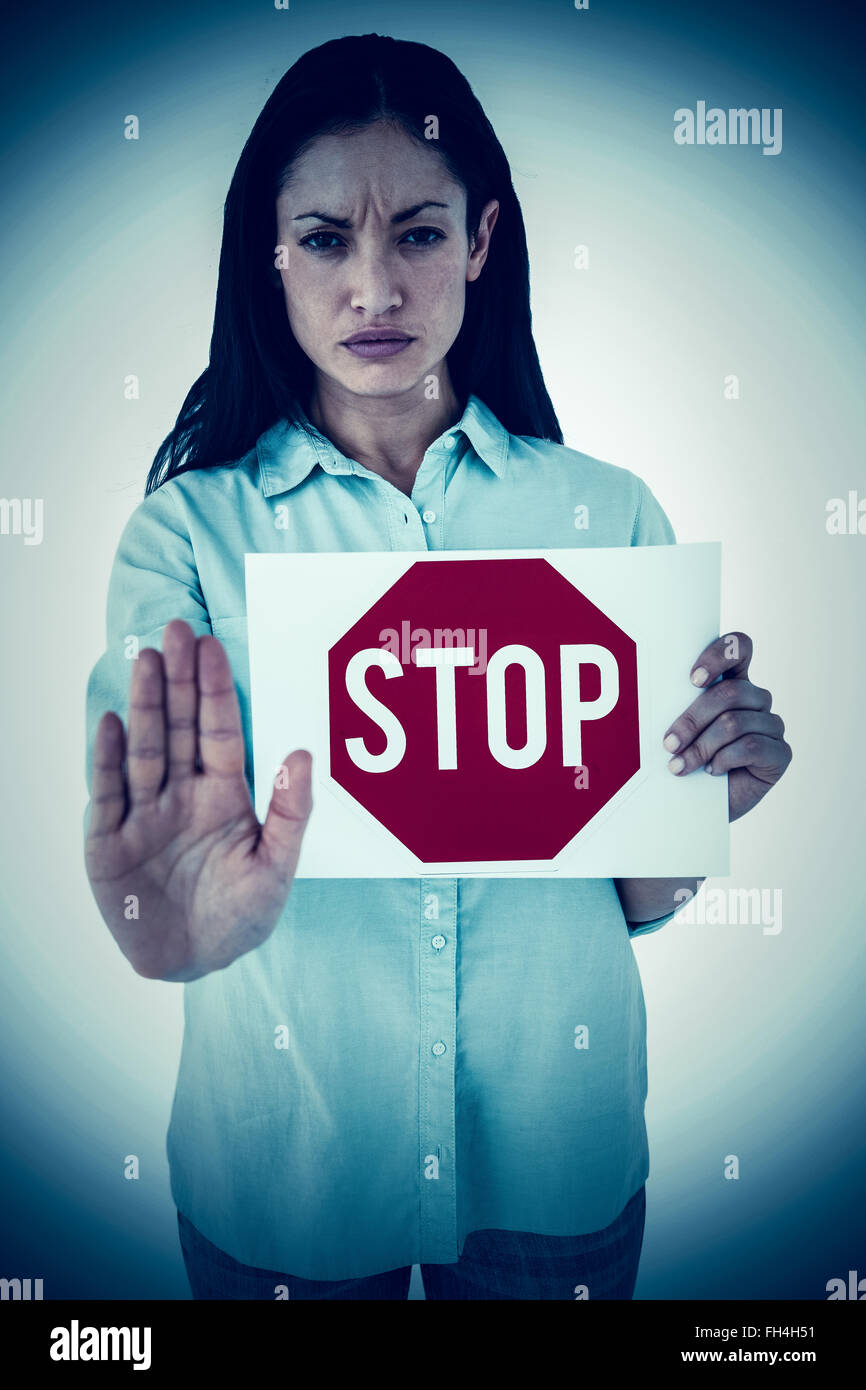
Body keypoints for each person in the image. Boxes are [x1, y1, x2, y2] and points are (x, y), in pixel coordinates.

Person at [83, 33, 792, 1300]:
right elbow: (155, 886)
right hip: (283, 1161)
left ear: (479, 242)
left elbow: (627, 896)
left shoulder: (606, 514)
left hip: (553, 1163)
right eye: (322, 240)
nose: (372, 289)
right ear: (270, 252)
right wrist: (166, 929)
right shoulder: (186, 538)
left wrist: (697, 801)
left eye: (416, 233)